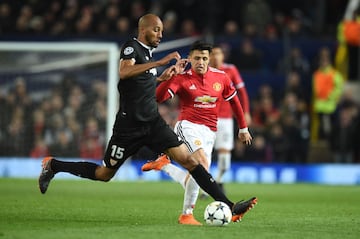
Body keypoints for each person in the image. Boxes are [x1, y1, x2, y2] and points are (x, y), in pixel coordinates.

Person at [38, 14, 257, 223]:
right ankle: (53, 165)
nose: (160, 34)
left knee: (192, 162)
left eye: (161, 30)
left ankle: (229, 205)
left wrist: (164, 76)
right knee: (104, 173)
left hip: (153, 123)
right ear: (143, 30)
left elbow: (146, 85)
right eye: (156, 30)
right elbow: (124, 73)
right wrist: (161, 62)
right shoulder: (132, 47)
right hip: (129, 127)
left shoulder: (148, 54)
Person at [141, 41, 255, 225]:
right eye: (196, 58)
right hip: (187, 126)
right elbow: (159, 97)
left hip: (210, 131)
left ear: (209, 59)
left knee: (198, 175)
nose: (200, 62)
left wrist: (243, 128)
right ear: (190, 59)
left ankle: (164, 166)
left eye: (204, 58)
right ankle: (187, 214)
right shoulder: (182, 78)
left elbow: (235, 102)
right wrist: (171, 76)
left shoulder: (221, 77)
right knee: (200, 164)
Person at [209, 44, 251, 194]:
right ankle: (205, 186)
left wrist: (246, 112)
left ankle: (219, 181)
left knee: (225, 160)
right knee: (204, 156)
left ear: (223, 56)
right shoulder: (204, 70)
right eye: (212, 54)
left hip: (225, 120)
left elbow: (242, 92)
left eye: (218, 53)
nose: (215, 57)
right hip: (206, 118)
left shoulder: (230, 70)